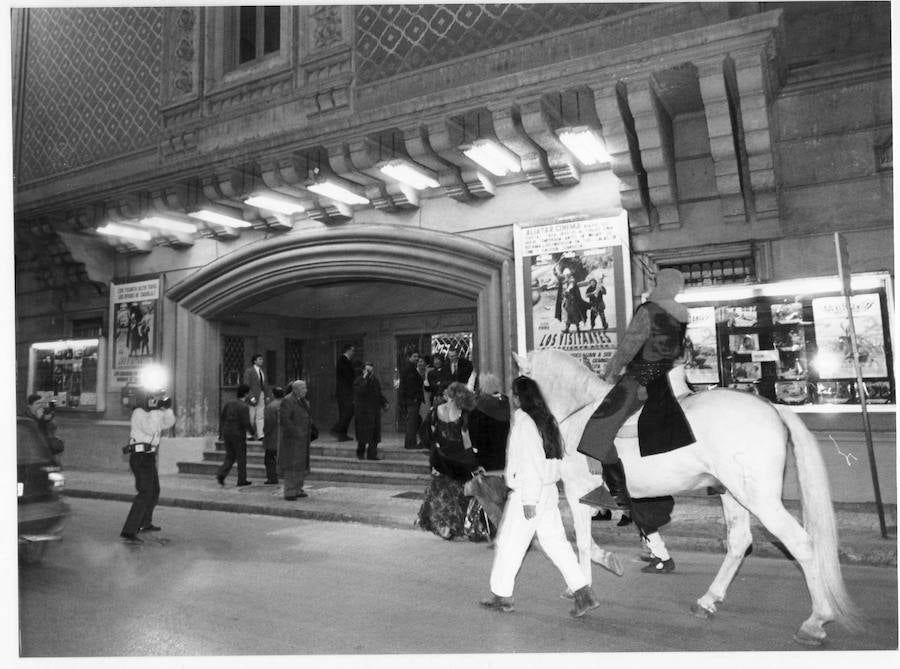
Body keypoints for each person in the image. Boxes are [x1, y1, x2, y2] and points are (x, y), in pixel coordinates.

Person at [577, 268, 693, 574]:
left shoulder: (649, 310)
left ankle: (609, 482)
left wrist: (612, 371)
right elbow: (680, 351)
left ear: (659, 285)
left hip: (644, 376)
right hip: (670, 375)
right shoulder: (682, 314)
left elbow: (630, 345)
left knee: (600, 421)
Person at [480, 376, 600, 617]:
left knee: (509, 544)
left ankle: (502, 596)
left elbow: (530, 462)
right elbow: (554, 460)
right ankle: (582, 592)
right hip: (548, 491)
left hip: (528, 491)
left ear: (519, 397)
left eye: (514, 393)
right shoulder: (547, 420)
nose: (512, 398)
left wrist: (528, 501)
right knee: (556, 543)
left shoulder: (524, 422)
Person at [416, 382, 479, 539]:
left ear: (447, 395)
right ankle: (450, 526)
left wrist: (434, 446)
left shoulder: (435, 412)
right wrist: (473, 462)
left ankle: (445, 527)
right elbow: (467, 442)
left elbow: (426, 435)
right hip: (458, 459)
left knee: (440, 492)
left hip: (441, 457)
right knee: (455, 493)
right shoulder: (463, 414)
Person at [120, 390, 175, 543]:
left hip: (149, 457)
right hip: (140, 457)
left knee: (154, 490)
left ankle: (144, 523)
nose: (155, 401)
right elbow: (150, 429)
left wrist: (167, 409)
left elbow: (168, 423)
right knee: (145, 492)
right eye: (153, 398)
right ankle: (129, 530)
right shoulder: (138, 412)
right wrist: (156, 410)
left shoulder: (153, 413)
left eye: (157, 398)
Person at [279, 380, 313, 500]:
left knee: (301, 465)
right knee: (292, 466)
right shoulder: (288, 401)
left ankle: (298, 488)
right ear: (296, 390)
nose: (306, 390)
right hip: (292, 440)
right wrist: (296, 431)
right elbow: (285, 420)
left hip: (303, 440)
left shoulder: (303, 401)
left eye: (305, 388)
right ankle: (289, 491)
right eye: (303, 388)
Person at [216, 384, 254, 487]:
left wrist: (222, 431)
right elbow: (246, 422)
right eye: (249, 392)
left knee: (230, 456)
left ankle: (221, 474)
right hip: (238, 434)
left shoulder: (229, 403)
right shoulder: (244, 406)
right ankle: (242, 479)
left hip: (227, 432)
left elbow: (223, 417)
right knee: (241, 458)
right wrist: (253, 432)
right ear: (246, 394)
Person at [353, 361, 389, 461]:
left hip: (374, 411)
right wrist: (365, 379)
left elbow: (378, 393)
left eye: (371, 371)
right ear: (363, 370)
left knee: (374, 435)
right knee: (363, 435)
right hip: (363, 412)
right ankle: (360, 453)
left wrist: (384, 403)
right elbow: (361, 391)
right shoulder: (358, 381)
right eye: (368, 370)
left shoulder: (375, 380)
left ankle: (372, 454)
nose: (370, 373)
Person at [24, 393, 63, 462]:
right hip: (30, 452)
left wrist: (47, 420)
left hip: (44, 450)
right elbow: (33, 433)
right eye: (38, 404)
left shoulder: (44, 414)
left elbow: (53, 429)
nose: (40, 406)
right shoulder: (26, 418)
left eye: (42, 403)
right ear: (30, 406)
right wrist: (40, 420)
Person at [398, 349, 424, 450]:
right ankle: (410, 444)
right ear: (409, 357)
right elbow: (408, 386)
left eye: (418, 356)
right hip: (411, 399)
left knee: (413, 421)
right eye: (414, 356)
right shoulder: (409, 368)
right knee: (411, 422)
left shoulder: (412, 368)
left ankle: (411, 442)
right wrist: (413, 397)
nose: (417, 358)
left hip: (411, 399)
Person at [331, 344, 356, 442]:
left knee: (346, 413)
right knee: (347, 412)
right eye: (353, 350)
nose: (354, 352)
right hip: (344, 392)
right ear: (348, 350)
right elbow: (347, 376)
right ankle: (337, 430)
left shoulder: (347, 361)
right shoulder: (342, 360)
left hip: (346, 392)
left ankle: (342, 434)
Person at [262, 386, 285, 484]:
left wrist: (265, 433)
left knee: (269, 458)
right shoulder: (288, 405)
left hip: (273, 436)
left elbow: (268, 423)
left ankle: (272, 477)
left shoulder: (271, 406)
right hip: (285, 435)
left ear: (273, 394)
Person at [243, 353, 268, 440]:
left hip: (261, 395)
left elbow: (264, 384)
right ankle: (249, 434)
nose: (262, 361)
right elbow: (247, 385)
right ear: (255, 361)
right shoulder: (249, 371)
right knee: (251, 415)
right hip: (253, 395)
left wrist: (266, 395)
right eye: (260, 359)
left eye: (262, 359)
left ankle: (260, 434)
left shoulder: (261, 371)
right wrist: (251, 396)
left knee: (260, 415)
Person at [585, 276, 609, 342]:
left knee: (602, 316)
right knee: (592, 317)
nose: (593, 283)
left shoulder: (600, 286)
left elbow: (605, 293)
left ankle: (605, 325)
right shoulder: (589, 288)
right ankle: (592, 326)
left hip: (600, 303)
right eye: (591, 282)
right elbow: (586, 295)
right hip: (593, 304)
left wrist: (601, 289)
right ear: (590, 283)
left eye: (594, 282)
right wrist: (593, 293)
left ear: (596, 282)